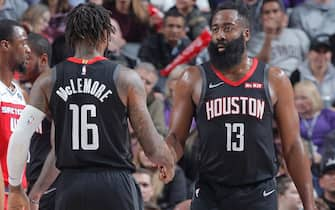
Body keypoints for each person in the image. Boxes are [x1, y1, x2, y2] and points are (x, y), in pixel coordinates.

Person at [7, 3, 175, 210]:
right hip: (114, 184)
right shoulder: (126, 77)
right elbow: (151, 144)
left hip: (70, 185)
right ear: (106, 35)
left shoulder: (48, 80)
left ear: (70, 36)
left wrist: (20, 189)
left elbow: (21, 137)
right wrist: (167, 160)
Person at [160, 2, 315, 210]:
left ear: (246, 34)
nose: (220, 35)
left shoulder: (274, 79)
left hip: (259, 191)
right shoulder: (193, 78)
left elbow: (293, 146)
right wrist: (167, 158)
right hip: (210, 191)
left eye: (228, 28)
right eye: (215, 29)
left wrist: (309, 204)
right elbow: (177, 138)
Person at [0, 19, 31, 210]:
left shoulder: (22, 94)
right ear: (5, 45)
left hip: (17, 191)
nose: (28, 49)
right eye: (23, 43)